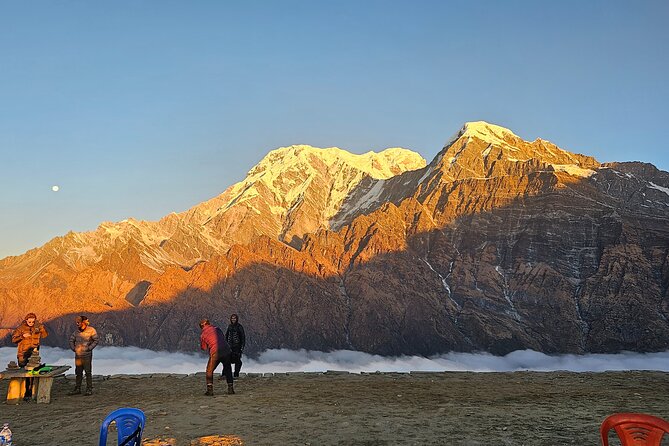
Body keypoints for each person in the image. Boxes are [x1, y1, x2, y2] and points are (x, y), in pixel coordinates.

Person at [11, 312, 48, 401]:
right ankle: (22, 392)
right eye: (29, 321)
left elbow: (45, 335)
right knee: (23, 373)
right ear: (26, 320)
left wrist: (41, 329)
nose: (31, 323)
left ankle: (29, 392)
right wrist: (22, 336)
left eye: (33, 321)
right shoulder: (20, 328)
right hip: (23, 353)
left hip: (34, 354)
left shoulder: (37, 327)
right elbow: (13, 340)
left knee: (32, 373)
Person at [199, 318, 234, 396]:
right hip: (226, 349)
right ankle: (230, 388)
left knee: (209, 370)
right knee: (227, 368)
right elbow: (223, 337)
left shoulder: (203, 334)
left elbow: (204, 348)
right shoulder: (217, 329)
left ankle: (210, 390)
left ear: (201, 327)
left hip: (216, 352)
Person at [68, 315, 99, 396]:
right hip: (78, 355)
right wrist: (73, 348)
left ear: (83, 322)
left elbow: (96, 340)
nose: (77, 324)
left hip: (87, 355)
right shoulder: (76, 332)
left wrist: (89, 348)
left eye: (78, 322)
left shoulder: (91, 330)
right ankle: (78, 388)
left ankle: (89, 389)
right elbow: (71, 340)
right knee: (78, 372)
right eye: (76, 322)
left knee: (88, 372)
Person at [224, 313, 246, 378]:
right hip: (229, 347)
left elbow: (243, 337)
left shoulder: (239, 327)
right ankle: (225, 374)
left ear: (237, 319)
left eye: (234, 318)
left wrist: (242, 347)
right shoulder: (229, 326)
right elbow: (226, 336)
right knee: (227, 360)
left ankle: (236, 374)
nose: (233, 319)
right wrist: (225, 345)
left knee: (238, 361)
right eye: (232, 318)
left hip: (237, 347)